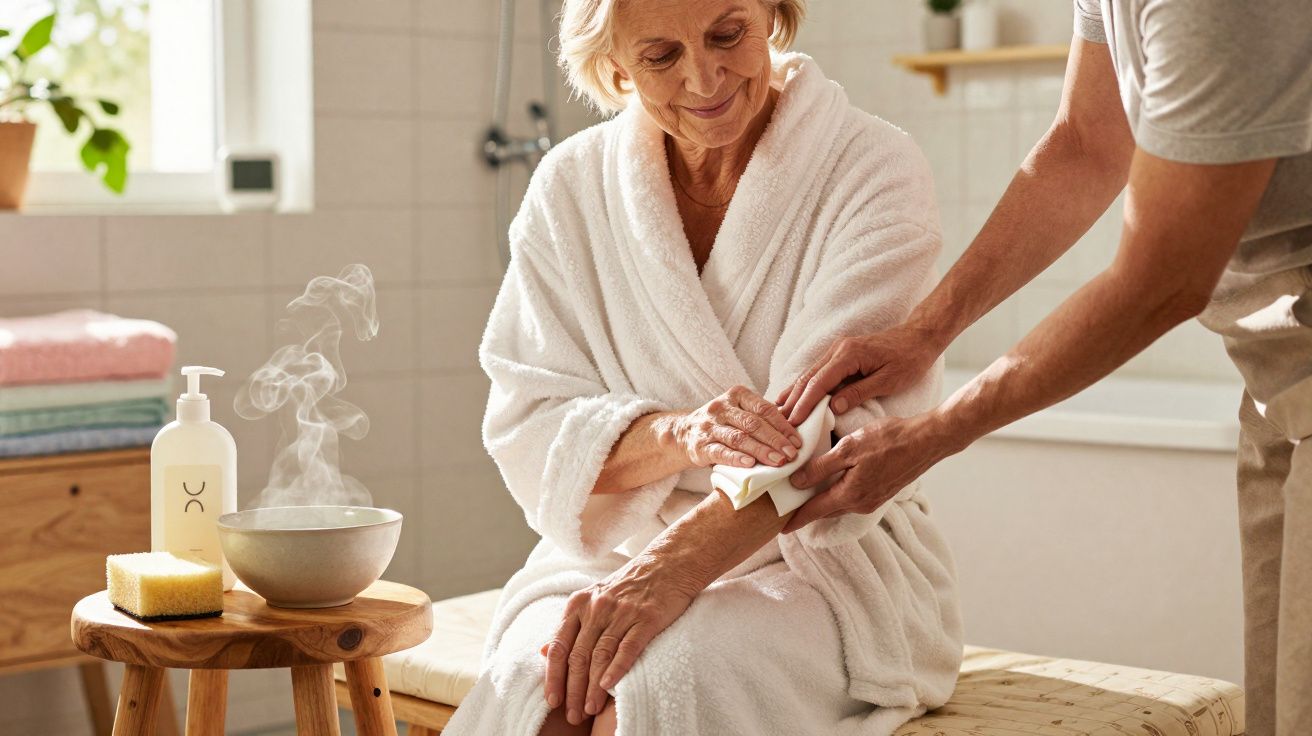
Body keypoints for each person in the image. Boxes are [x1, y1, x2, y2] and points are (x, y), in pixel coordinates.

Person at [779, 2, 1311, 733]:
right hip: (1276, 380)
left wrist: (937, 432)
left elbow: (1161, 281)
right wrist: (925, 331)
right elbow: (1087, 143)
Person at [443, 1, 966, 734]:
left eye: (728, 35)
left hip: (815, 560)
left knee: (656, 688)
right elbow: (532, 417)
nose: (705, 75)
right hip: (615, 554)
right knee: (544, 694)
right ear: (615, 68)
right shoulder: (570, 188)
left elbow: (832, 428)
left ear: (772, 17)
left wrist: (671, 574)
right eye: (661, 57)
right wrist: (678, 436)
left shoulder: (869, 165)